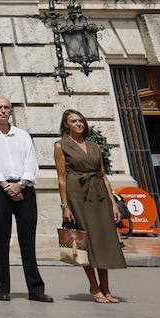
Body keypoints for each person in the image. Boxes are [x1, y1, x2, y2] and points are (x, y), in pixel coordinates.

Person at [0, 96, 52, 303]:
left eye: (7, 107)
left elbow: (31, 161)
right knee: (0, 241)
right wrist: (6, 186)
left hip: (24, 189)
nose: (3, 111)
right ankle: (3, 288)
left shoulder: (23, 135)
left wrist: (21, 184)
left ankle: (36, 289)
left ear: (12, 111)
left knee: (28, 241)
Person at [55, 108, 126, 303]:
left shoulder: (95, 147)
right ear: (66, 125)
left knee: (103, 239)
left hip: (99, 195)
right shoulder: (61, 145)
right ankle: (94, 286)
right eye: (73, 121)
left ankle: (106, 287)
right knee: (84, 240)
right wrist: (65, 206)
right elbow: (61, 178)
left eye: (81, 121)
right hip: (76, 194)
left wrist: (113, 204)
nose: (78, 124)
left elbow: (103, 176)